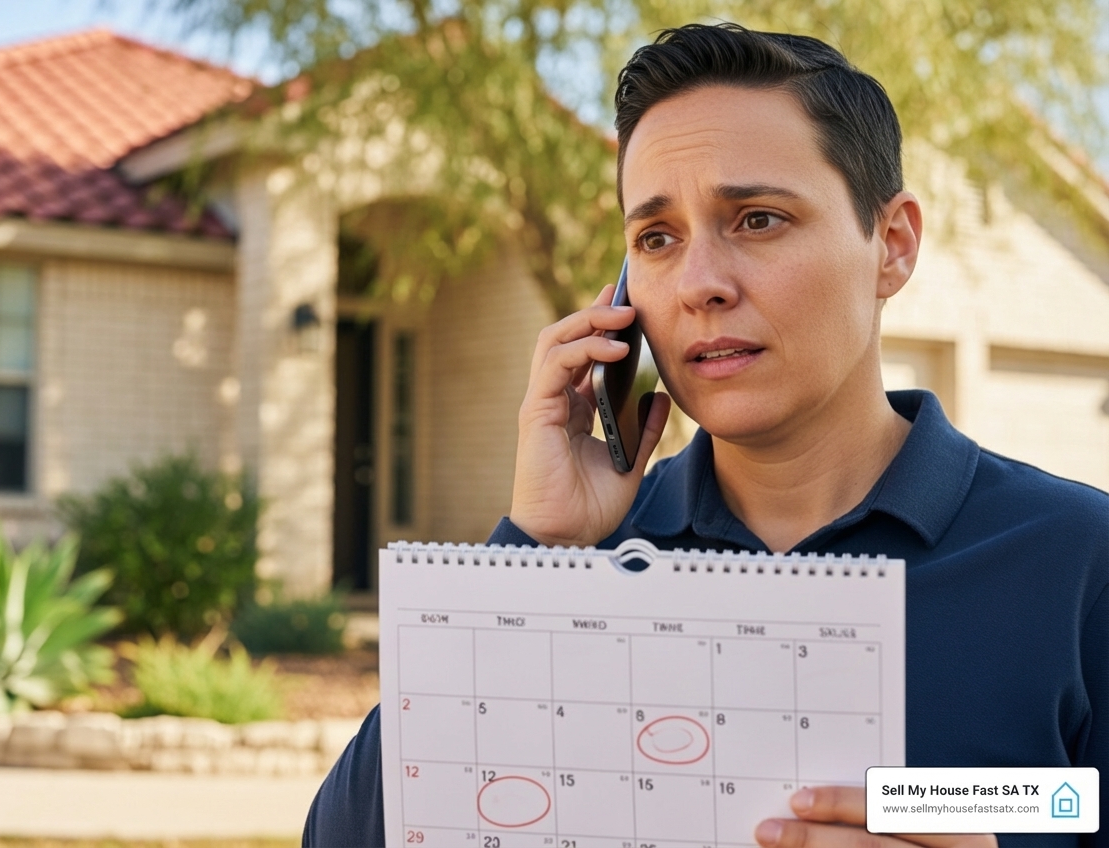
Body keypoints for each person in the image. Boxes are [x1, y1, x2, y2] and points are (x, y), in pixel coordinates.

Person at [302, 22, 1109, 848]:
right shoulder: (586, 563)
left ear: (891, 246)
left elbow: (1059, 803)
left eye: (757, 219)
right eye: (656, 238)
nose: (699, 284)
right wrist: (535, 552)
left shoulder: (1080, 560)